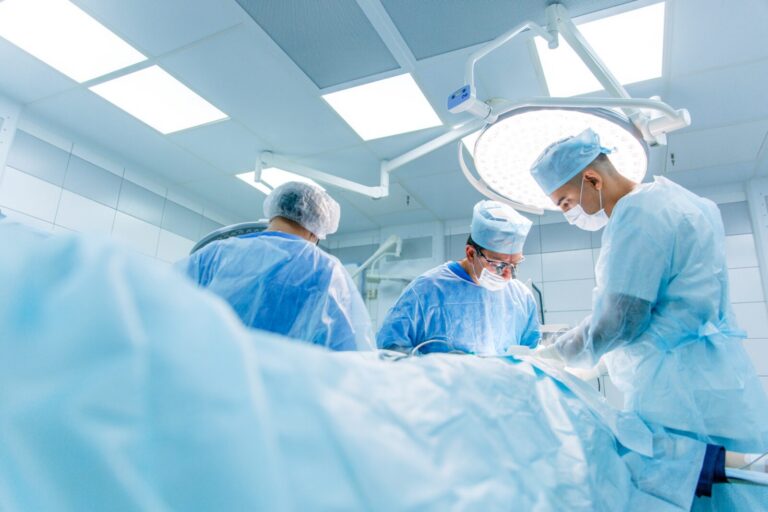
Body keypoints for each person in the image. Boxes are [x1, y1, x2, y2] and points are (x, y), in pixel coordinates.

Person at [528, 128, 768, 456]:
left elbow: (620, 321)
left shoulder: (635, 214)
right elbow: (670, 312)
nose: (570, 215)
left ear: (593, 180)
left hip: (679, 399)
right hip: (722, 384)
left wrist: (554, 355)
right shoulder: (688, 203)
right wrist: (601, 363)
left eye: (566, 202)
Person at [180, 181, 373, 351]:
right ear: (317, 229)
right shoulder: (326, 269)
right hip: (281, 387)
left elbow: (169, 308)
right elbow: (349, 351)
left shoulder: (215, 253)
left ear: (273, 214)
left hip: (203, 378)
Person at [377, 200, 540, 354]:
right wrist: (441, 370)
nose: (508, 276)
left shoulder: (522, 297)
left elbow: (531, 356)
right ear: (470, 253)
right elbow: (390, 349)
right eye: (498, 265)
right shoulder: (426, 290)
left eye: (515, 265)